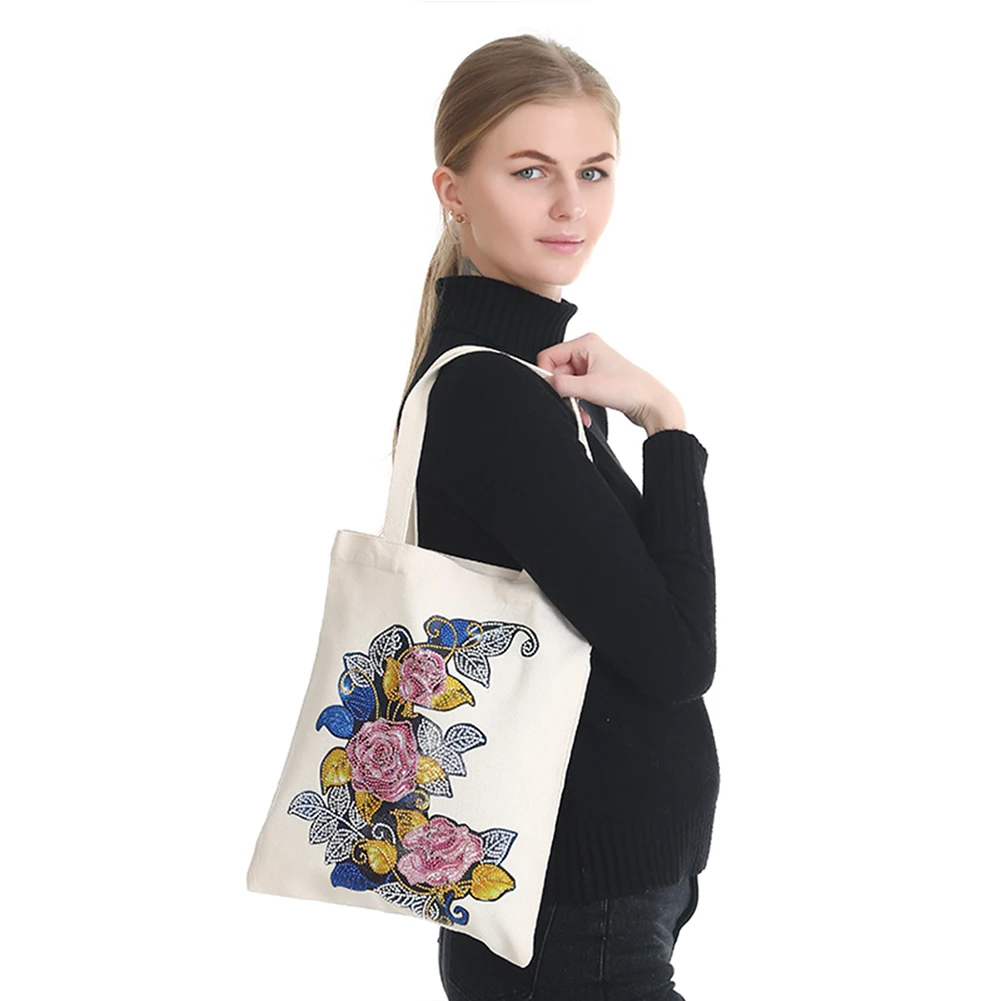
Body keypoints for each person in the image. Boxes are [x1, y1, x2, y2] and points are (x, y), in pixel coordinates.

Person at [392, 34, 719, 1001]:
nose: (570, 205)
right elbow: (675, 655)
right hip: (575, 911)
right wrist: (666, 424)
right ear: (453, 190)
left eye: (594, 171)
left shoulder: (539, 389)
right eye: (530, 171)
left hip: (589, 900)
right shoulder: (492, 398)